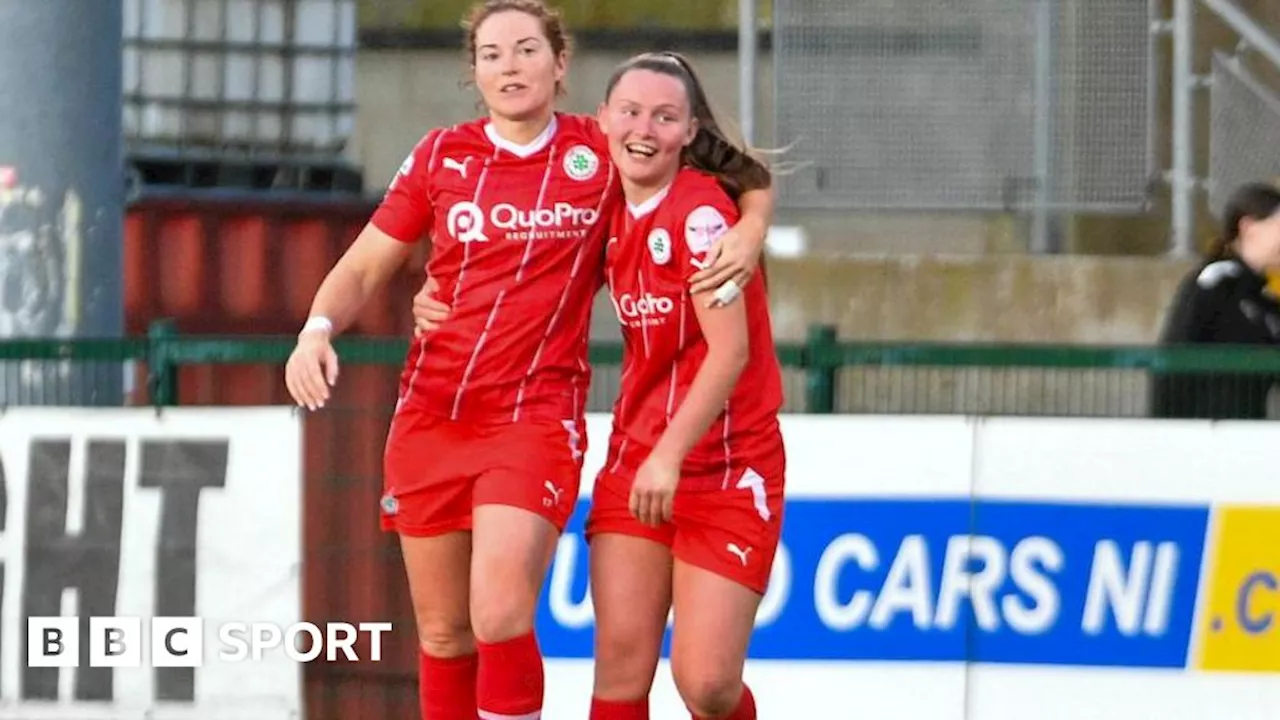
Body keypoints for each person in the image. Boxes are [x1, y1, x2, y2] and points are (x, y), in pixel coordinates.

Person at [283, 2, 774, 719]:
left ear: (560, 64)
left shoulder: (603, 148)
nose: (509, 66)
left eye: (525, 50)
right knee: (447, 632)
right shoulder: (439, 156)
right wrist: (317, 328)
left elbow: (734, 170)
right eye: (491, 54)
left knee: (501, 611)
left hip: (533, 418)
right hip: (431, 413)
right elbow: (363, 267)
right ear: (474, 72)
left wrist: (754, 224)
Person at [580, 52, 786, 720]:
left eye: (664, 117)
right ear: (603, 118)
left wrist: (668, 455)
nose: (644, 128)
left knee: (706, 684)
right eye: (631, 111)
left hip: (725, 468)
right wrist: (436, 286)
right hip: (636, 463)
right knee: (619, 668)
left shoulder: (701, 217)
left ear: (689, 131)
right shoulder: (595, 189)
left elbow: (729, 354)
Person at [1152, 181, 1280, 419]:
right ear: (1249, 227)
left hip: (1248, 440)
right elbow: (1172, 363)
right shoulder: (1215, 283)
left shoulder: (1266, 299)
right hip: (1204, 439)